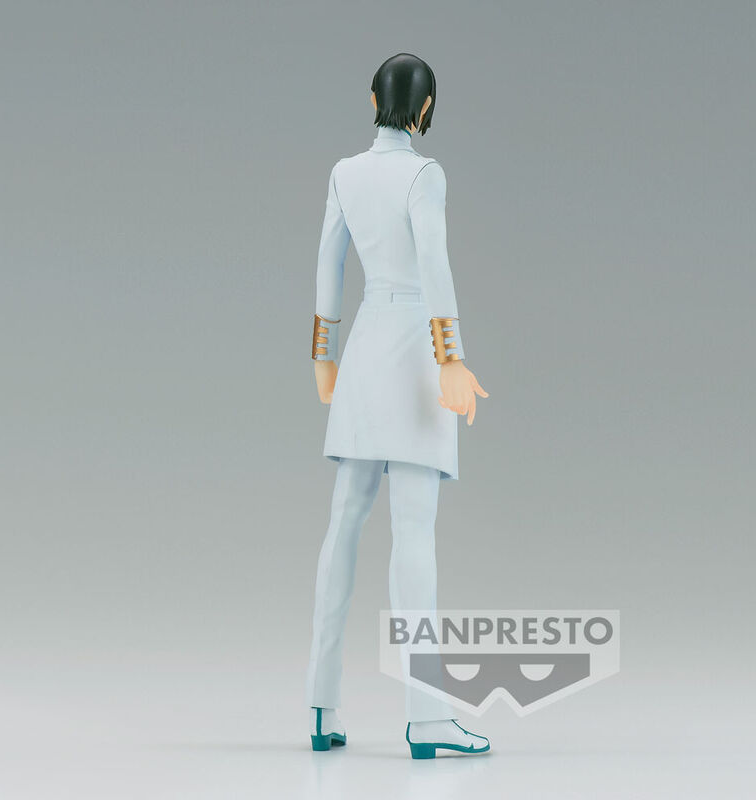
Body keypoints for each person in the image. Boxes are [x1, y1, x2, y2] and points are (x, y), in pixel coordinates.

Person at [305, 53, 490, 759]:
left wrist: (323, 354)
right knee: (413, 535)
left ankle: (320, 703)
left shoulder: (344, 172)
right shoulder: (424, 174)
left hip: (362, 349)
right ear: (427, 106)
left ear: (371, 97)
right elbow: (434, 261)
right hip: (414, 351)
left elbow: (328, 263)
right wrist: (452, 356)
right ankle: (428, 716)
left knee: (342, 526)